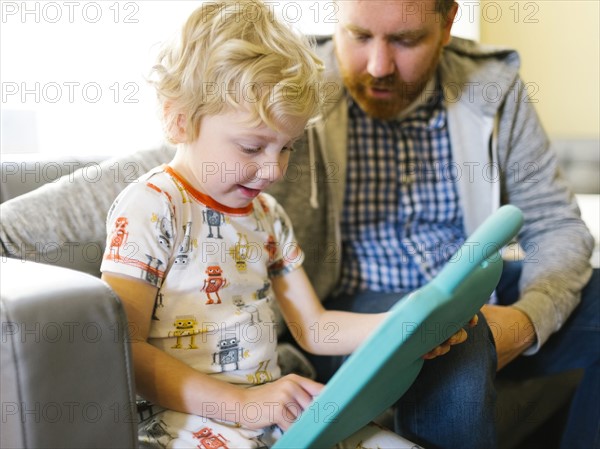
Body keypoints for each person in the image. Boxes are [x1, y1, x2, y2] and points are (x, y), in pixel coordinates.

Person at [100, 2, 469, 447]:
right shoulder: (152, 206)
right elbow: (124, 352)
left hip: (267, 416)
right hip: (180, 421)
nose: (274, 171)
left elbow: (313, 328)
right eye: (252, 147)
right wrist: (242, 405)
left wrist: (401, 328)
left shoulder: (267, 216)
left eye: (286, 147)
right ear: (179, 119)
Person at [267, 1, 599, 448]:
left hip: (476, 288)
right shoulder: (294, 86)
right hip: (354, 305)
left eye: (405, 41)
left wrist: (526, 320)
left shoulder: (493, 87)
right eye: (359, 36)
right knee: (446, 334)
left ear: (446, 26)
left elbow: (557, 223)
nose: (379, 66)